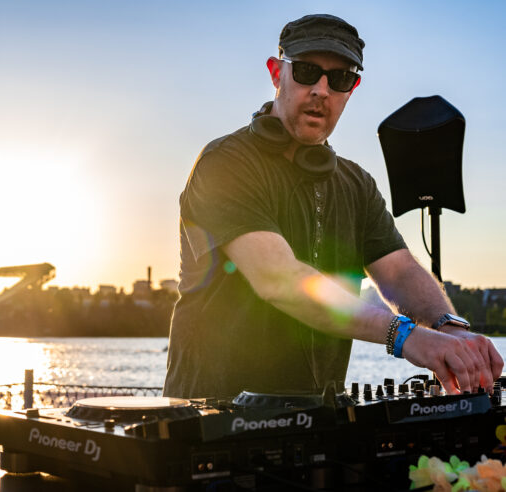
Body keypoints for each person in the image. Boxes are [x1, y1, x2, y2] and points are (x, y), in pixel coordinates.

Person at [163, 14, 503, 399]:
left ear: (351, 88)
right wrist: (404, 336)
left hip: (319, 421)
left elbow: (400, 271)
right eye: (307, 71)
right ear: (277, 74)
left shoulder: (355, 184)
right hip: (210, 418)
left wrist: (449, 328)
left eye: (339, 78)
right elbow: (279, 279)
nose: (322, 90)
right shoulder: (225, 163)